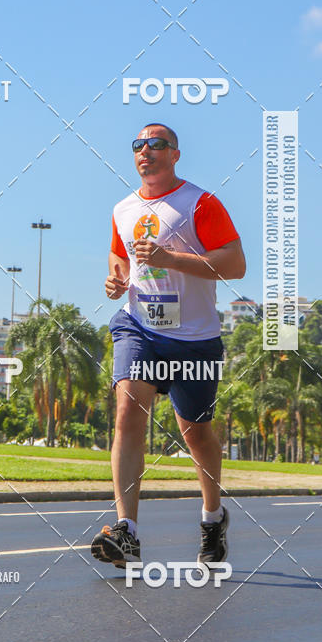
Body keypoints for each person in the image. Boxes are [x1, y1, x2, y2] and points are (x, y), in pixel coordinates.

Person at [91, 123, 246, 569]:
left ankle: (212, 517)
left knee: (195, 433)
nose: (146, 151)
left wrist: (169, 258)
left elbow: (235, 264)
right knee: (127, 411)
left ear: (175, 154)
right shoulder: (122, 208)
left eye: (157, 144)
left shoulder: (201, 203)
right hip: (139, 327)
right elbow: (119, 254)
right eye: (138, 145)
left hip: (194, 337)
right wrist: (116, 278)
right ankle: (127, 532)